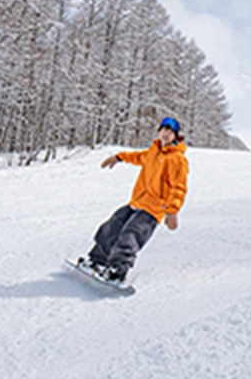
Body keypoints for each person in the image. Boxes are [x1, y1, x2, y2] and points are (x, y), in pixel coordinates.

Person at [81, 117, 189, 284]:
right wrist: (118, 157)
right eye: (164, 130)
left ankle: (117, 270)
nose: (166, 134)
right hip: (137, 202)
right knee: (113, 225)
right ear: (159, 131)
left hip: (154, 208)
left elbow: (179, 187)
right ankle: (97, 261)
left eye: (170, 132)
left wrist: (172, 211)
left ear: (176, 136)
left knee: (131, 234)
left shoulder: (178, 159)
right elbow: (137, 157)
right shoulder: (153, 151)